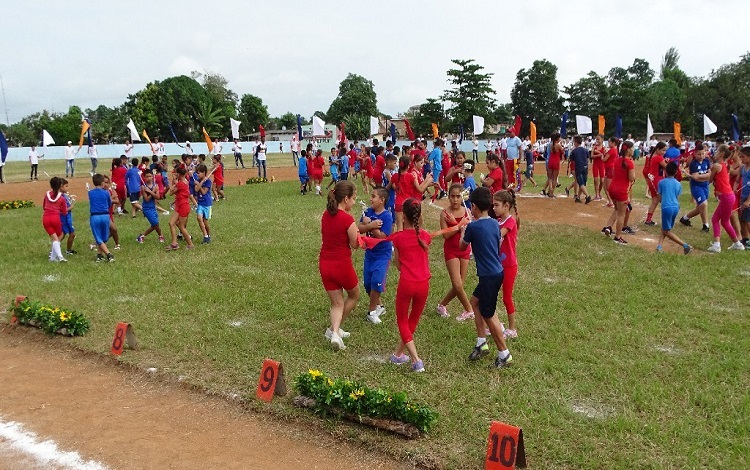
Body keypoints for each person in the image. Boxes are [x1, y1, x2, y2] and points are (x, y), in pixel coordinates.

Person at [460, 187, 513, 369]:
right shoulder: (494, 224)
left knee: (489, 314)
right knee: (475, 303)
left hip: (488, 276)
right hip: (496, 273)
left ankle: (504, 354)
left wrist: (463, 231)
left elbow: (462, 247)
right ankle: (481, 342)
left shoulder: (472, 227)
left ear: (473, 206)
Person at [389, 198, 431, 372]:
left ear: (403, 217)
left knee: (402, 320)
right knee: (412, 319)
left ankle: (416, 359)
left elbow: (398, 265)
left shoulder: (398, 238)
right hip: (424, 284)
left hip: (407, 283)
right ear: (419, 216)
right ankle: (398, 354)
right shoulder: (426, 236)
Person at [319, 181, 360, 351]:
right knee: (354, 295)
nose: (354, 202)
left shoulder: (325, 215)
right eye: (353, 198)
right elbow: (355, 244)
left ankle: (334, 332)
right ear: (345, 199)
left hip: (325, 265)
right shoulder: (347, 219)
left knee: (336, 303)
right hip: (341, 264)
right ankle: (334, 331)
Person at [436, 184, 474, 321]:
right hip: (451, 250)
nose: (455, 200)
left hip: (464, 249)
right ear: (448, 196)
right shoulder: (444, 213)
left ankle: (442, 305)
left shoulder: (467, 211)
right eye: (453, 196)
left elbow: (469, 231)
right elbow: (446, 235)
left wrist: (458, 225)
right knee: (457, 284)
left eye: (458, 196)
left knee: (459, 286)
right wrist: (457, 226)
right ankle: (469, 310)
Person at [358, 187, 393, 325]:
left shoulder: (387, 216)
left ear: (382, 200)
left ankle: (371, 311)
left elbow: (381, 236)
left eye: (373, 196)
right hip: (370, 253)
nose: (370, 199)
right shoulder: (368, 212)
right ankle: (380, 306)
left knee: (377, 280)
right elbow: (359, 228)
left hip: (383, 254)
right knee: (367, 283)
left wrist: (370, 225)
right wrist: (370, 224)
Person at [707, 145, 745, 252]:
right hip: (728, 196)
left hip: (726, 196)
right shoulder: (725, 165)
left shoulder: (716, 166)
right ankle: (737, 244)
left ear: (722, 153)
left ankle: (717, 245)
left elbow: (709, 180)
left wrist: (701, 176)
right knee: (723, 221)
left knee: (717, 220)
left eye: (717, 151)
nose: (715, 152)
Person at [494, 190, 521, 337]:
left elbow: (498, 234)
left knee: (506, 297)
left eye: (496, 205)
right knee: (492, 294)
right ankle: (495, 323)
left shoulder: (510, 221)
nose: (494, 208)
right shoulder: (498, 221)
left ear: (506, 206)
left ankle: (512, 329)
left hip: (509, 265)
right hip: (499, 264)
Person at [603, 141, 636, 245]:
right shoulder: (629, 162)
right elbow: (631, 178)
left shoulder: (617, 160)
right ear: (629, 150)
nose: (634, 150)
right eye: (633, 148)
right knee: (622, 214)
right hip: (621, 191)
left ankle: (608, 227)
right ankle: (617, 237)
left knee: (617, 210)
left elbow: (614, 173)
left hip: (612, 188)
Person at [656, 162, 692, 254]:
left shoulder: (661, 182)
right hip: (676, 207)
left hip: (666, 207)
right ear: (676, 172)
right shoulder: (678, 184)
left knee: (666, 231)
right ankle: (659, 246)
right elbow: (677, 197)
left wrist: (663, 200)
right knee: (665, 228)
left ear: (665, 171)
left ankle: (685, 245)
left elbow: (659, 198)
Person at [679, 143, 711, 232]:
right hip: (696, 187)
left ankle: (685, 218)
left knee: (699, 208)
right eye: (699, 154)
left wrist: (703, 176)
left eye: (703, 153)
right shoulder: (693, 164)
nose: (701, 156)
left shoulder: (707, 161)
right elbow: (697, 178)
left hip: (705, 186)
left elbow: (709, 174)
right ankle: (706, 225)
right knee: (704, 204)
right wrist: (706, 175)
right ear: (695, 154)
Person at [166, 167, 195, 251]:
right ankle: (174, 243)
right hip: (180, 205)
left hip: (182, 206)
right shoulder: (185, 181)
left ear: (178, 174)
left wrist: (173, 183)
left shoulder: (180, 184)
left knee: (181, 226)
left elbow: (171, 192)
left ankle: (190, 244)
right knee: (172, 223)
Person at [88, 174, 115, 263]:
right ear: (103, 183)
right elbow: (110, 203)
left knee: (98, 237)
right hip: (105, 216)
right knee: (104, 237)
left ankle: (108, 254)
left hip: (95, 216)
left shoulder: (90, 193)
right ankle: (99, 255)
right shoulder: (106, 192)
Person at [42, 177, 68, 262]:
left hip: (46, 218)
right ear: (60, 186)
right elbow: (64, 212)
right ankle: (60, 257)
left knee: (54, 237)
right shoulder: (62, 198)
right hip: (55, 218)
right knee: (59, 236)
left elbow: (44, 207)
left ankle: (52, 258)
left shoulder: (47, 195)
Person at [136, 170, 164, 244]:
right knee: (155, 223)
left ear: (153, 176)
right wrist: (152, 192)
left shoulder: (156, 186)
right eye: (147, 177)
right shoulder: (143, 187)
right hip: (146, 208)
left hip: (153, 207)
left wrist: (151, 191)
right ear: (144, 178)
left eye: (150, 176)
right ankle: (160, 235)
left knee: (155, 224)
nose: (149, 178)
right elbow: (147, 199)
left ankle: (142, 236)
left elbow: (158, 197)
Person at [645, 142, 668, 226]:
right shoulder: (658, 157)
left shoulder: (655, 156)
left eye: (665, 150)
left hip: (654, 180)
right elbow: (667, 167)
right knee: (664, 201)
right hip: (657, 181)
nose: (664, 152)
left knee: (655, 201)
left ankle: (648, 220)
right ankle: (666, 219)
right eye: (663, 150)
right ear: (658, 149)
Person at [569, 135, 592, 203]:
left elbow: (572, 161)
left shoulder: (574, 151)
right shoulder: (585, 150)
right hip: (585, 167)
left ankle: (587, 196)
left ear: (576, 142)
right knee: (583, 183)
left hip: (579, 168)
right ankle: (578, 197)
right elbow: (588, 160)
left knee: (581, 183)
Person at [194, 164, 213, 244]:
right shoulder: (198, 181)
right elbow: (196, 189)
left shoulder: (208, 181)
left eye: (198, 173)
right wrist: (201, 182)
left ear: (204, 172)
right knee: (199, 218)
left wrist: (201, 183)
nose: (197, 175)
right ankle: (205, 236)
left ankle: (208, 235)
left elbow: (204, 192)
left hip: (207, 203)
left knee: (205, 222)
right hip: (200, 203)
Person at [542, 132, 563, 197]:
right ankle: (551, 192)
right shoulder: (558, 145)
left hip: (550, 161)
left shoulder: (550, 144)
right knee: (555, 178)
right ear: (557, 138)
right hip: (556, 161)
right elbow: (562, 152)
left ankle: (550, 188)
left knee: (550, 177)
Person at [59, 179, 77, 255]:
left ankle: (68, 250)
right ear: (61, 187)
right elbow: (63, 210)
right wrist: (71, 206)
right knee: (67, 234)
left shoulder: (64, 196)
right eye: (66, 186)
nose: (67, 188)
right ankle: (54, 250)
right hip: (65, 219)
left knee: (67, 234)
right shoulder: (61, 197)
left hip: (67, 218)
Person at [738, 146, 750, 248]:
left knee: (747, 219)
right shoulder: (742, 168)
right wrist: (734, 187)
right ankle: (745, 239)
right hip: (743, 195)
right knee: (742, 219)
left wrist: (748, 201)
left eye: (743, 157)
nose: (741, 159)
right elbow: (738, 179)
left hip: (748, 198)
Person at [602, 137, 619, 207]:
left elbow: (604, 159)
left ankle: (613, 201)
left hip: (610, 169)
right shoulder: (614, 149)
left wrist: (602, 155)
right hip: (609, 169)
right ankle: (610, 201)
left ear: (613, 143)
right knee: (605, 186)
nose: (608, 143)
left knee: (608, 187)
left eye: (609, 142)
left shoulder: (612, 150)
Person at [591, 135, 605, 200]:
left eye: (598, 139)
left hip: (602, 164)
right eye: (596, 139)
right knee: (596, 180)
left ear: (602, 140)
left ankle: (599, 192)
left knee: (602, 181)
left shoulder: (604, 148)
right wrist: (599, 155)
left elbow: (605, 156)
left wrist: (600, 154)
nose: (597, 141)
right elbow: (591, 156)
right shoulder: (594, 147)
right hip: (595, 164)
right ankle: (596, 194)